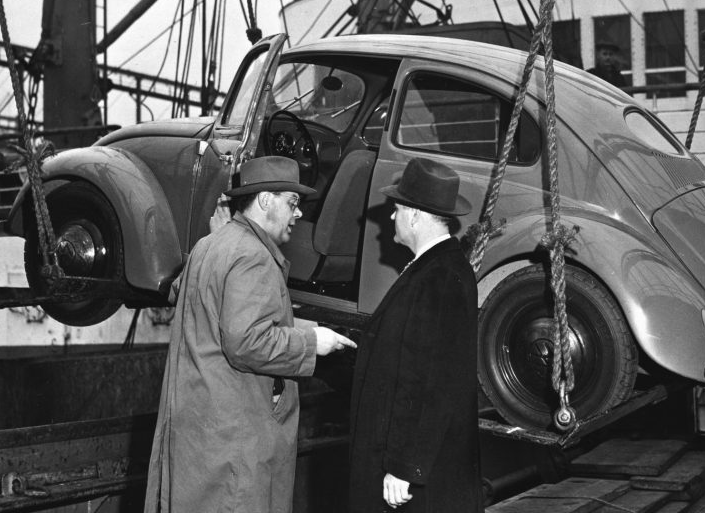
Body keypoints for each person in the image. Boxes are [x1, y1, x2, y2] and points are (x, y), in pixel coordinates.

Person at [144, 156, 356, 513]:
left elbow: (200, 304)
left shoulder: (210, 245)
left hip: (201, 431)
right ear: (265, 200)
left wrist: (307, 328)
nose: (298, 214)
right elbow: (246, 342)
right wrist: (312, 343)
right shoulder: (252, 255)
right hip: (233, 440)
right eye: (292, 203)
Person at [348, 157, 482, 512]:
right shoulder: (438, 268)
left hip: (415, 474)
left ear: (414, 215)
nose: (392, 216)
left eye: (397, 208)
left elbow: (432, 380)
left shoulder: (439, 277)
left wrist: (404, 467)